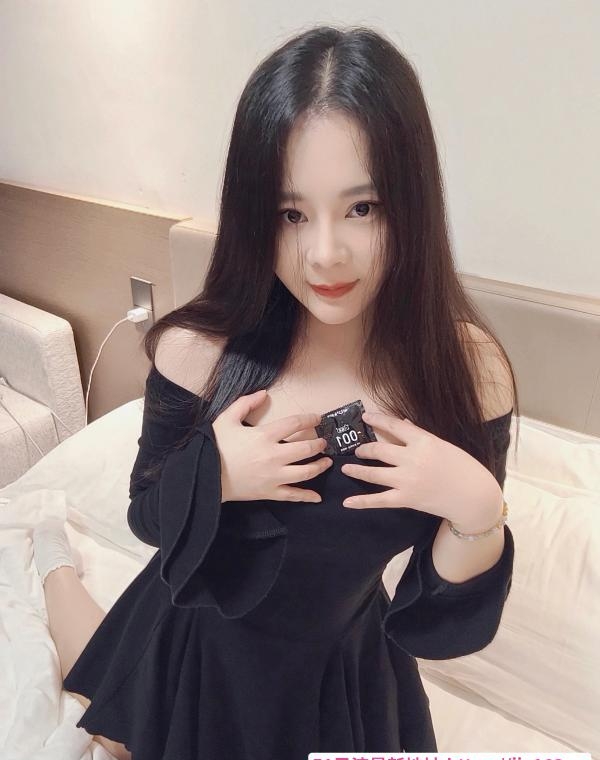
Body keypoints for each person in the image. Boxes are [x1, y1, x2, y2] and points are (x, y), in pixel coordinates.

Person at [34, 24, 519, 760]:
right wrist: (218, 475)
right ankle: (52, 560)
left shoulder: (466, 373)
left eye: (362, 208)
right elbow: (147, 513)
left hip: (341, 668)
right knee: (106, 716)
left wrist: (479, 509)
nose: (324, 254)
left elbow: (439, 617)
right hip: (193, 643)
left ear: (411, 203)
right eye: (291, 215)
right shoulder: (199, 351)